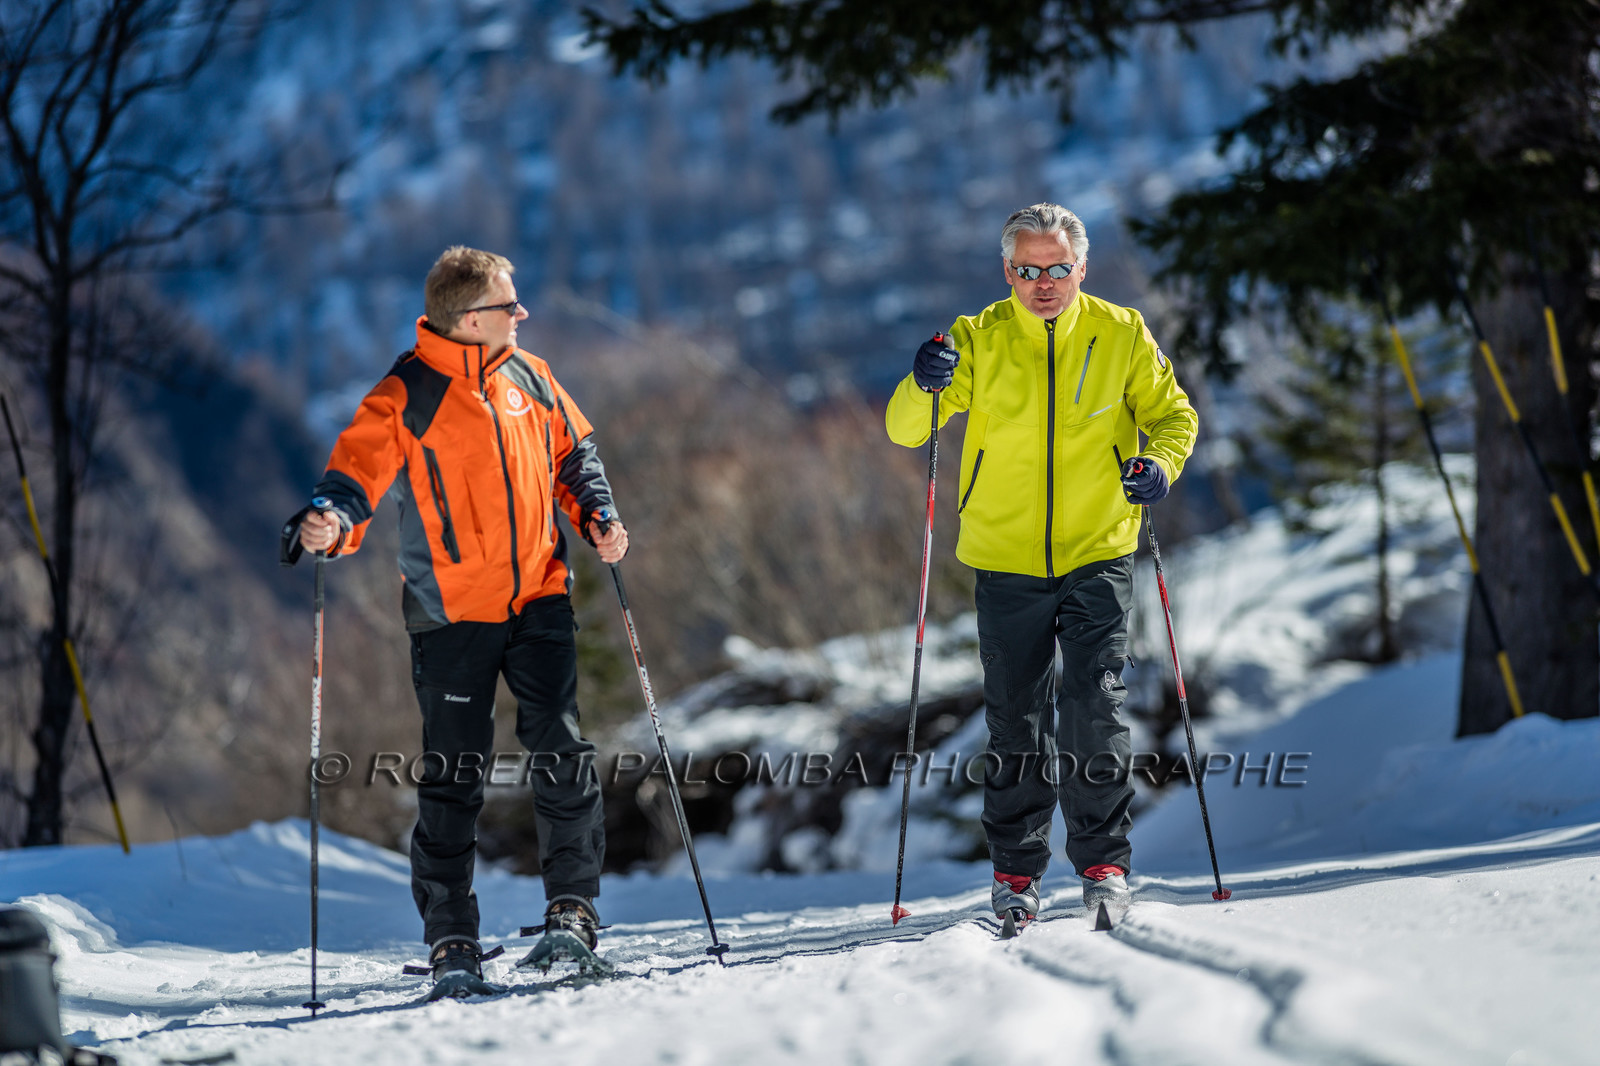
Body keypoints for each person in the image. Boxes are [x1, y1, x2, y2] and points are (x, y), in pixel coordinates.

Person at [282, 246, 627, 994]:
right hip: (451, 617)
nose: (522, 315)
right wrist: (327, 524)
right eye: (511, 306)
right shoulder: (406, 393)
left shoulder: (529, 376)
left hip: (540, 595)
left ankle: (574, 914)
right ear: (472, 319)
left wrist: (597, 515)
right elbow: (353, 478)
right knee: (455, 777)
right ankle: (452, 942)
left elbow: (574, 454)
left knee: (562, 747)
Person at [885, 203, 1198, 931]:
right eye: (1028, 271)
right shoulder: (976, 340)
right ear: (1008, 273)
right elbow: (906, 428)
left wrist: (1159, 465)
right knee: (1015, 721)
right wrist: (921, 380)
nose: (1044, 283)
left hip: (1099, 545)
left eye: (1058, 269)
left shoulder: (1119, 333)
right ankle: (1016, 875)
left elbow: (1173, 415)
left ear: (1081, 268)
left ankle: (1104, 865)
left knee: (1095, 702)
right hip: (1003, 556)